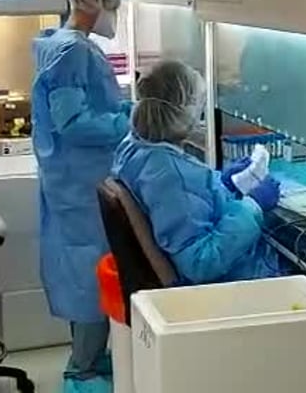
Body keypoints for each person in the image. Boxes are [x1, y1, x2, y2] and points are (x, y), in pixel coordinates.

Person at [30, 0, 131, 393]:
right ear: (93, 1)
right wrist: (130, 121)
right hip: (82, 182)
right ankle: (84, 369)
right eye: (112, 3)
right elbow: (74, 124)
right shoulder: (72, 50)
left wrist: (124, 109)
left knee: (83, 267)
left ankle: (87, 358)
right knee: (93, 272)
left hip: (73, 180)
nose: (114, 13)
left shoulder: (63, 45)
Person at [112, 61, 284, 286]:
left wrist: (222, 184)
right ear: (185, 110)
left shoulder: (136, 148)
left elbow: (185, 207)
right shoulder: (172, 175)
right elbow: (201, 263)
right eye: (200, 106)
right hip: (231, 286)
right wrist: (253, 206)